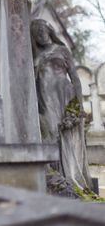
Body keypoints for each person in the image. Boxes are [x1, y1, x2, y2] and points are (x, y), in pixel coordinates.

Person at [31, 19, 92, 190]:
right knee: (51, 133)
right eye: (36, 34)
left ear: (49, 31)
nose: (40, 35)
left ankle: (71, 176)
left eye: (42, 31)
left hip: (65, 96)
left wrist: (79, 104)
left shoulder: (62, 50)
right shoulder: (34, 56)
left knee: (69, 135)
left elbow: (75, 78)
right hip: (46, 99)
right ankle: (59, 179)